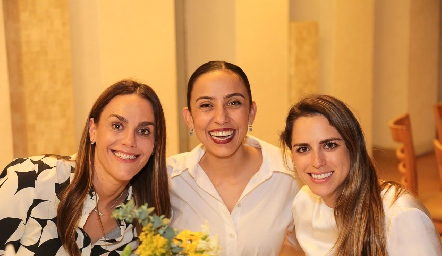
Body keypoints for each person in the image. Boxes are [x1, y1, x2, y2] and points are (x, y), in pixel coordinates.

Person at [0, 79, 171, 255]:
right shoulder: (30, 180)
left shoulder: (144, 224)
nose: (129, 141)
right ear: (93, 130)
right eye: (117, 126)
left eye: (143, 131)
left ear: (155, 144)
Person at [167, 60, 302, 256]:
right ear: (189, 118)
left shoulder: (291, 173)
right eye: (206, 105)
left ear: (251, 113)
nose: (221, 118)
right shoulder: (169, 179)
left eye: (234, 103)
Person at [280, 94, 442, 256]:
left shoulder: (400, 215)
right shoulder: (303, 204)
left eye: (330, 145)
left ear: (354, 147)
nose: (317, 161)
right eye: (303, 149)